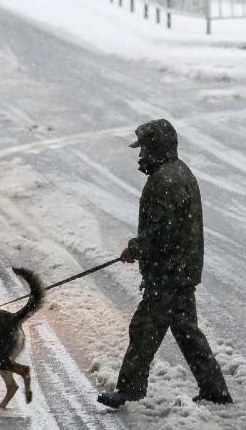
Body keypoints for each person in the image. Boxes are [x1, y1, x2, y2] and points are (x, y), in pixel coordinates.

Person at [97, 119, 232, 408]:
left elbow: (162, 231)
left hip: (169, 272)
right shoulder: (178, 172)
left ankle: (129, 389)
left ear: (156, 147)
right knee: (186, 330)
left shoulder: (165, 181)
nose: (141, 155)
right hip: (181, 269)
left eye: (144, 148)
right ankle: (215, 389)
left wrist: (136, 248)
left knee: (144, 328)